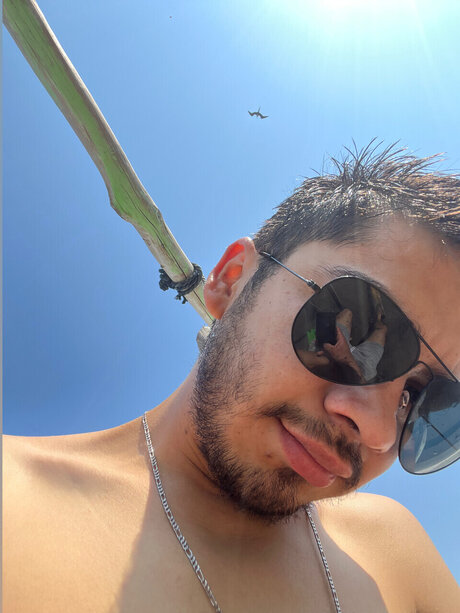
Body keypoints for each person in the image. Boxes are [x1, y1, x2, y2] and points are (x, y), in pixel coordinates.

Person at [4, 144, 460, 612]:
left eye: (416, 400)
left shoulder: (395, 555)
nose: (379, 433)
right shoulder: (13, 504)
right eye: (351, 329)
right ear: (231, 279)